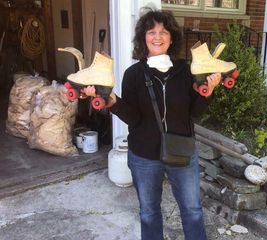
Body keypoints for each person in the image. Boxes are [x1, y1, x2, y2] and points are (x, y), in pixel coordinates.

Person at [83, 9, 221, 240]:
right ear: (143, 38)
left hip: (182, 152)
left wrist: (209, 91)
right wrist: (113, 102)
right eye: (151, 32)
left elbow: (194, 114)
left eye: (163, 31)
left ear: (172, 37)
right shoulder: (133, 74)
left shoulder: (186, 71)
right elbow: (134, 118)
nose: (157, 37)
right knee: (148, 212)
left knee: (193, 210)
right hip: (144, 156)